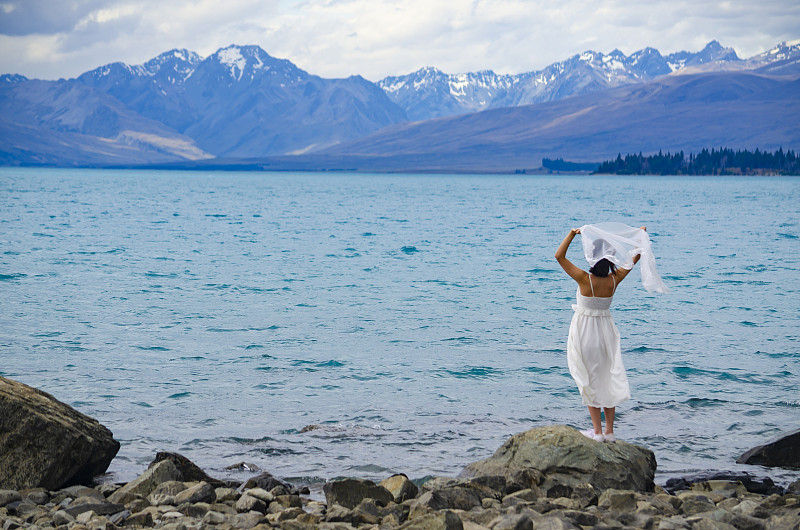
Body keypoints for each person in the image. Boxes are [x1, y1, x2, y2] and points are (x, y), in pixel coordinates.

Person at [554, 225, 647, 443]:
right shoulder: (615, 279)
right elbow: (636, 255)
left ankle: (597, 433)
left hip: (585, 331)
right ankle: (610, 432)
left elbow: (559, 256)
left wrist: (571, 234)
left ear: (591, 257)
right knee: (607, 378)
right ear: (611, 256)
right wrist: (640, 235)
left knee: (589, 379)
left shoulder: (584, 279)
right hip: (606, 331)